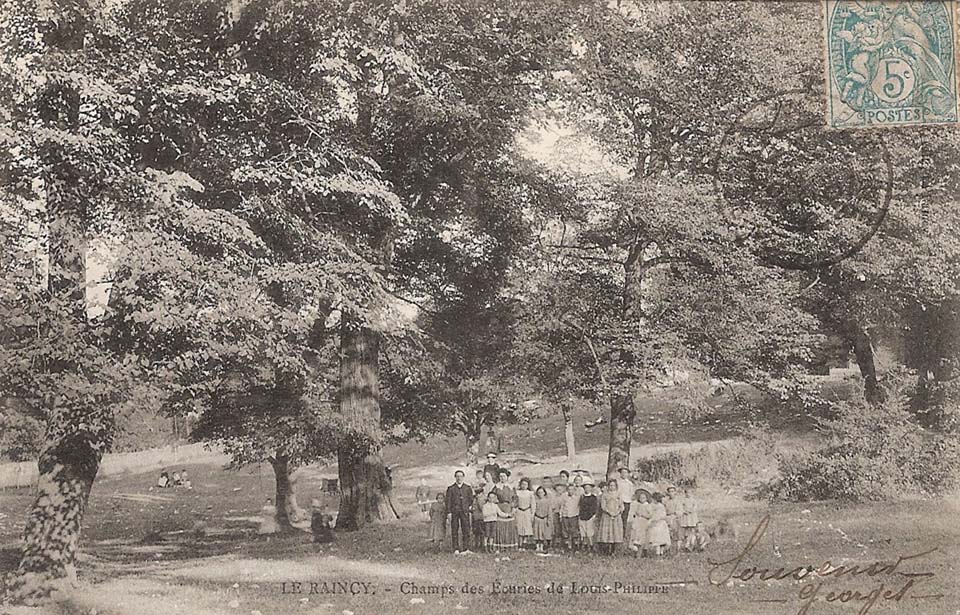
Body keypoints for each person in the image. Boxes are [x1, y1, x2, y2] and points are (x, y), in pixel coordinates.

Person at [445, 470, 473, 553]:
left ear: (463, 477)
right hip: (455, 512)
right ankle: (456, 548)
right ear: (455, 477)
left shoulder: (467, 488)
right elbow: (448, 501)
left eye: (461, 476)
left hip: (464, 512)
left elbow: (471, 499)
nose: (459, 478)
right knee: (454, 530)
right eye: (457, 476)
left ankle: (466, 548)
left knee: (466, 530)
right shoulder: (451, 488)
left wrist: (467, 507)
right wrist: (449, 512)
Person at [492, 470, 518, 551]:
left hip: (509, 507)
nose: (502, 478)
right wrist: (495, 505)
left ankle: (509, 546)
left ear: (507, 477)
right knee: (500, 527)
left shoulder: (511, 487)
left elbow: (515, 498)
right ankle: (500, 546)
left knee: (509, 527)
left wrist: (513, 508)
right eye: (500, 476)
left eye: (504, 476)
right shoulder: (496, 486)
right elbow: (491, 496)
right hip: (500, 507)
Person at [597, 480, 624, 555]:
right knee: (607, 532)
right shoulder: (605, 495)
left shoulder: (619, 494)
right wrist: (609, 512)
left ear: (616, 486)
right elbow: (603, 506)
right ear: (608, 486)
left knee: (615, 532)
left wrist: (617, 512)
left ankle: (613, 550)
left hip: (616, 516)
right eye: (610, 485)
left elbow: (621, 505)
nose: (612, 487)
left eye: (613, 486)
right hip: (607, 515)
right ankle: (606, 550)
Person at [629, 489, 654, 557]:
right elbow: (634, 513)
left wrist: (643, 515)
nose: (642, 499)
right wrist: (635, 514)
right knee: (636, 537)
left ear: (646, 498)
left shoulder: (648, 505)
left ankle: (641, 553)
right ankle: (635, 552)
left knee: (642, 538)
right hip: (637, 523)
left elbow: (650, 515)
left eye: (643, 498)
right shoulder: (638, 505)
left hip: (644, 523)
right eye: (640, 498)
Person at [578, 482, 598, 552]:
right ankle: (585, 546)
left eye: (589, 488)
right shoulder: (582, 497)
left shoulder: (593, 497)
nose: (587, 489)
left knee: (589, 532)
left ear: (591, 489)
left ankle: (591, 546)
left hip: (590, 516)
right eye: (586, 488)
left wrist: (593, 516)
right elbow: (580, 506)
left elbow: (595, 508)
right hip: (582, 516)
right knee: (583, 533)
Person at [515, 478, 535, 548]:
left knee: (526, 527)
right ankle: (520, 544)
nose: (524, 486)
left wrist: (532, 514)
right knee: (520, 527)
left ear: (528, 485)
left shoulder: (530, 493)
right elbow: (515, 502)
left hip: (527, 511)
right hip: (519, 511)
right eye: (522, 484)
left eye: (525, 484)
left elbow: (533, 504)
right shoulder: (517, 492)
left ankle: (525, 543)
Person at [560, 483, 581, 551]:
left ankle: (575, 547)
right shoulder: (564, 497)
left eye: (572, 489)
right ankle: (566, 547)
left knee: (574, 531)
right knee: (565, 531)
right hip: (565, 516)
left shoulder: (577, 498)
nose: (570, 491)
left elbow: (579, 507)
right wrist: (561, 516)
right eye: (569, 489)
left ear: (574, 490)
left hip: (574, 516)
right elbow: (562, 507)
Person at [532, 486, 553, 552]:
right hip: (537, 518)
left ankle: (544, 546)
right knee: (537, 533)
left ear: (544, 493)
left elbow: (549, 511)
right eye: (539, 492)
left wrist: (549, 520)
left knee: (544, 533)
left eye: (542, 492)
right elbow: (533, 510)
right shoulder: (536, 501)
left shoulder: (547, 501)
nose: (540, 494)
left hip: (544, 518)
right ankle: (538, 546)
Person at [618, 467, 634, 537]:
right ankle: (617, 533)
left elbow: (631, 493)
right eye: (622, 472)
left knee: (624, 518)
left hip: (627, 502)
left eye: (625, 472)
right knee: (618, 518)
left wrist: (629, 500)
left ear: (628, 474)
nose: (624, 474)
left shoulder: (629, 483)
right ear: (620, 474)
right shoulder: (617, 482)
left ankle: (623, 534)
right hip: (618, 502)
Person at [663, 485, 681, 553]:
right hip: (668, 518)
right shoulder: (666, 501)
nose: (671, 493)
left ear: (675, 492)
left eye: (672, 491)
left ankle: (677, 549)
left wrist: (674, 515)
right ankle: (668, 548)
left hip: (675, 518)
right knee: (668, 534)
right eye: (670, 492)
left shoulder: (677, 501)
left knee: (676, 534)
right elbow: (664, 510)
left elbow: (679, 511)